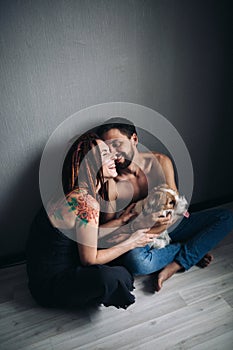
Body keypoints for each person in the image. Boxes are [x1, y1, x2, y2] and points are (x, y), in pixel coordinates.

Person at [26, 132, 160, 309]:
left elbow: (89, 234)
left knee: (114, 253)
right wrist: (131, 242)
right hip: (51, 286)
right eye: (105, 154)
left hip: (42, 277)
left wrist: (123, 221)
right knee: (118, 275)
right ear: (88, 163)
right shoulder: (85, 202)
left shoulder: (76, 191)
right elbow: (89, 260)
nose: (114, 156)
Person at [97, 118, 233, 291]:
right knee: (137, 264)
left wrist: (168, 213)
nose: (113, 153)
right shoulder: (112, 183)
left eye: (117, 144)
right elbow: (107, 230)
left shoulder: (161, 162)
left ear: (134, 139)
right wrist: (134, 224)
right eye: (107, 149)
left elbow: (175, 204)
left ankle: (174, 265)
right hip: (144, 233)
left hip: (173, 223)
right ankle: (187, 248)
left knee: (226, 218)